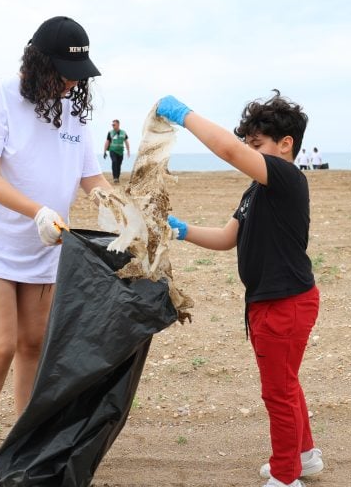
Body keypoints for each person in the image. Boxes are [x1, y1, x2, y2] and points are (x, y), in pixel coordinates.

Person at [0, 16, 111, 487]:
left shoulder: (74, 112)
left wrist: (121, 209)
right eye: (62, 71)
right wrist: (38, 210)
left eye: (76, 74)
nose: (69, 83)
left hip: (45, 247)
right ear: (38, 62)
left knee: (34, 346)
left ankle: (24, 450)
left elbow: (91, 178)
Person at [158, 91, 323, 487]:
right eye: (249, 144)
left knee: (277, 392)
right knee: (287, 382)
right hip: (271, 301)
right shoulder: (256, 190)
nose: (250, 153)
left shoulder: (285, 177)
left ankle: (286, 477)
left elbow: (228, 150)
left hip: (285, 303)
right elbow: (227, 237)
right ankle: (304, 456)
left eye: (257, 145)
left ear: (286, 145)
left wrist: (184, 115)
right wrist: (180, 231)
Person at [103, 119, 131, 183]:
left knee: (119, 164)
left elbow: (126, 142)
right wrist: (104, 151)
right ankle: (115, 177)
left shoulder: (123, 132)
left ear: (118, 125)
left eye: (114, 125)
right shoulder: (110, 133)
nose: (113, 126)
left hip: (120, 152)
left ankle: (117, 177)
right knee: (114, 161)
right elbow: (107, 142)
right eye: (112, 125)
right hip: (112, 150)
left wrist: (128, 151)